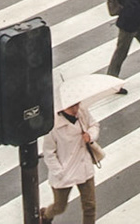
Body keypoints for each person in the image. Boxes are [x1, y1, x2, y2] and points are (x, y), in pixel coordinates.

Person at [38, 94, 102, 223]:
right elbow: (49, 152)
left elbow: (94, 125)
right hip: (65, 169)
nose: (75, 108)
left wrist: (90, 136)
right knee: (60, 206)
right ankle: (45, 215)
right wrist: (59, 172)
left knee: (90, 206)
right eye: (72, 106)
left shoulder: (82, 112)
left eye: (77, 104)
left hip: (84, 165)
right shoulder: (53, 126)